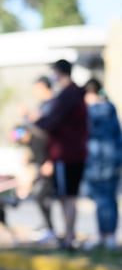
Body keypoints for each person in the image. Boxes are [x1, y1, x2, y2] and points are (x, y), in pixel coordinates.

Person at [33, 59, 88, 252]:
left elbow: (51, 123)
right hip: (74, 152)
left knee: (67, 197)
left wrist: (34, 121)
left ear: (60, 72)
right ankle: (69, 236)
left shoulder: (67, 96)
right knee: (69, 196)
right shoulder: (74, 94)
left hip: (66, 154)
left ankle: (68, 238)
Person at [82, 78, 122, 250]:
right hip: (111, 160)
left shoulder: (91, 111)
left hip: (97, 162)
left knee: (101, 200)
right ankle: (109, 237)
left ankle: (104, 236)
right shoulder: (110, 108)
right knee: (109, 199)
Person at [17, 76, 57, 243]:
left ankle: (52, 231)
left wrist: (52, 160)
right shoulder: (42, 106)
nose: (36, 92)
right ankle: (48, 228)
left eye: (37, 88)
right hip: (41, 159)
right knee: (41, 195)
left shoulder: (54, 106)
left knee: (45, 195)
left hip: (51, 159)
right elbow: (31, 130)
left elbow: (53, 135)